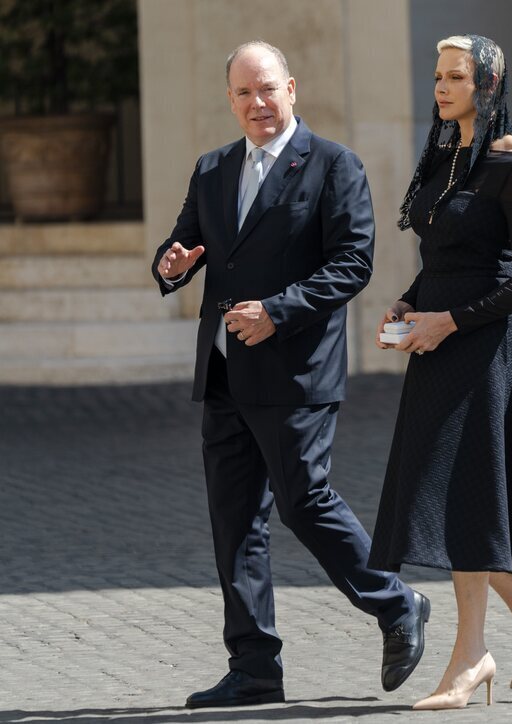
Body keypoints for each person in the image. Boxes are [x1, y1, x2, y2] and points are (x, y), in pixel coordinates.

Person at [151, 40, 427, 709]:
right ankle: (253, 666)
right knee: (235, 520)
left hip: (296, 369)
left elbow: (353, 262)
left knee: (306, 502)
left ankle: (397, 604)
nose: (258, 104)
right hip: (224, 370)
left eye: (268, 89)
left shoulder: (333, 165)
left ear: (292, 88)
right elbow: (184, 240)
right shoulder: (213, 168)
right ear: (231, 100)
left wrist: (278, 310)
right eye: (244, 93)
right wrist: (172, 263)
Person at [367, 34, 512, 710]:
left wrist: (447, 321)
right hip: (436, 347)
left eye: (456, 76)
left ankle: (471, 654)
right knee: (447, 498)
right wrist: (411, 303)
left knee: (469, 501)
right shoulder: (446, 158)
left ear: (486, 85)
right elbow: (446, 257)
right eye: (437, 77)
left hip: (483, 351)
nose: (442, 86)